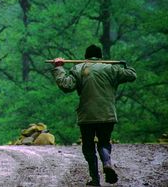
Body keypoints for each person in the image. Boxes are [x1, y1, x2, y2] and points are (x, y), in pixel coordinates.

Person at [51, 44, 136, 186]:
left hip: (87, 116)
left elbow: (66, 86)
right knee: (104, 142)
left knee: (88, 147)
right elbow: (132, 75)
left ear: (86, 57)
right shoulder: (111, 68)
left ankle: (95, 180)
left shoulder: (78, 69)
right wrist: (126, 65)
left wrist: (59, 67)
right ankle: (107, 163)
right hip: (107, 114)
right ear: (101, 57)